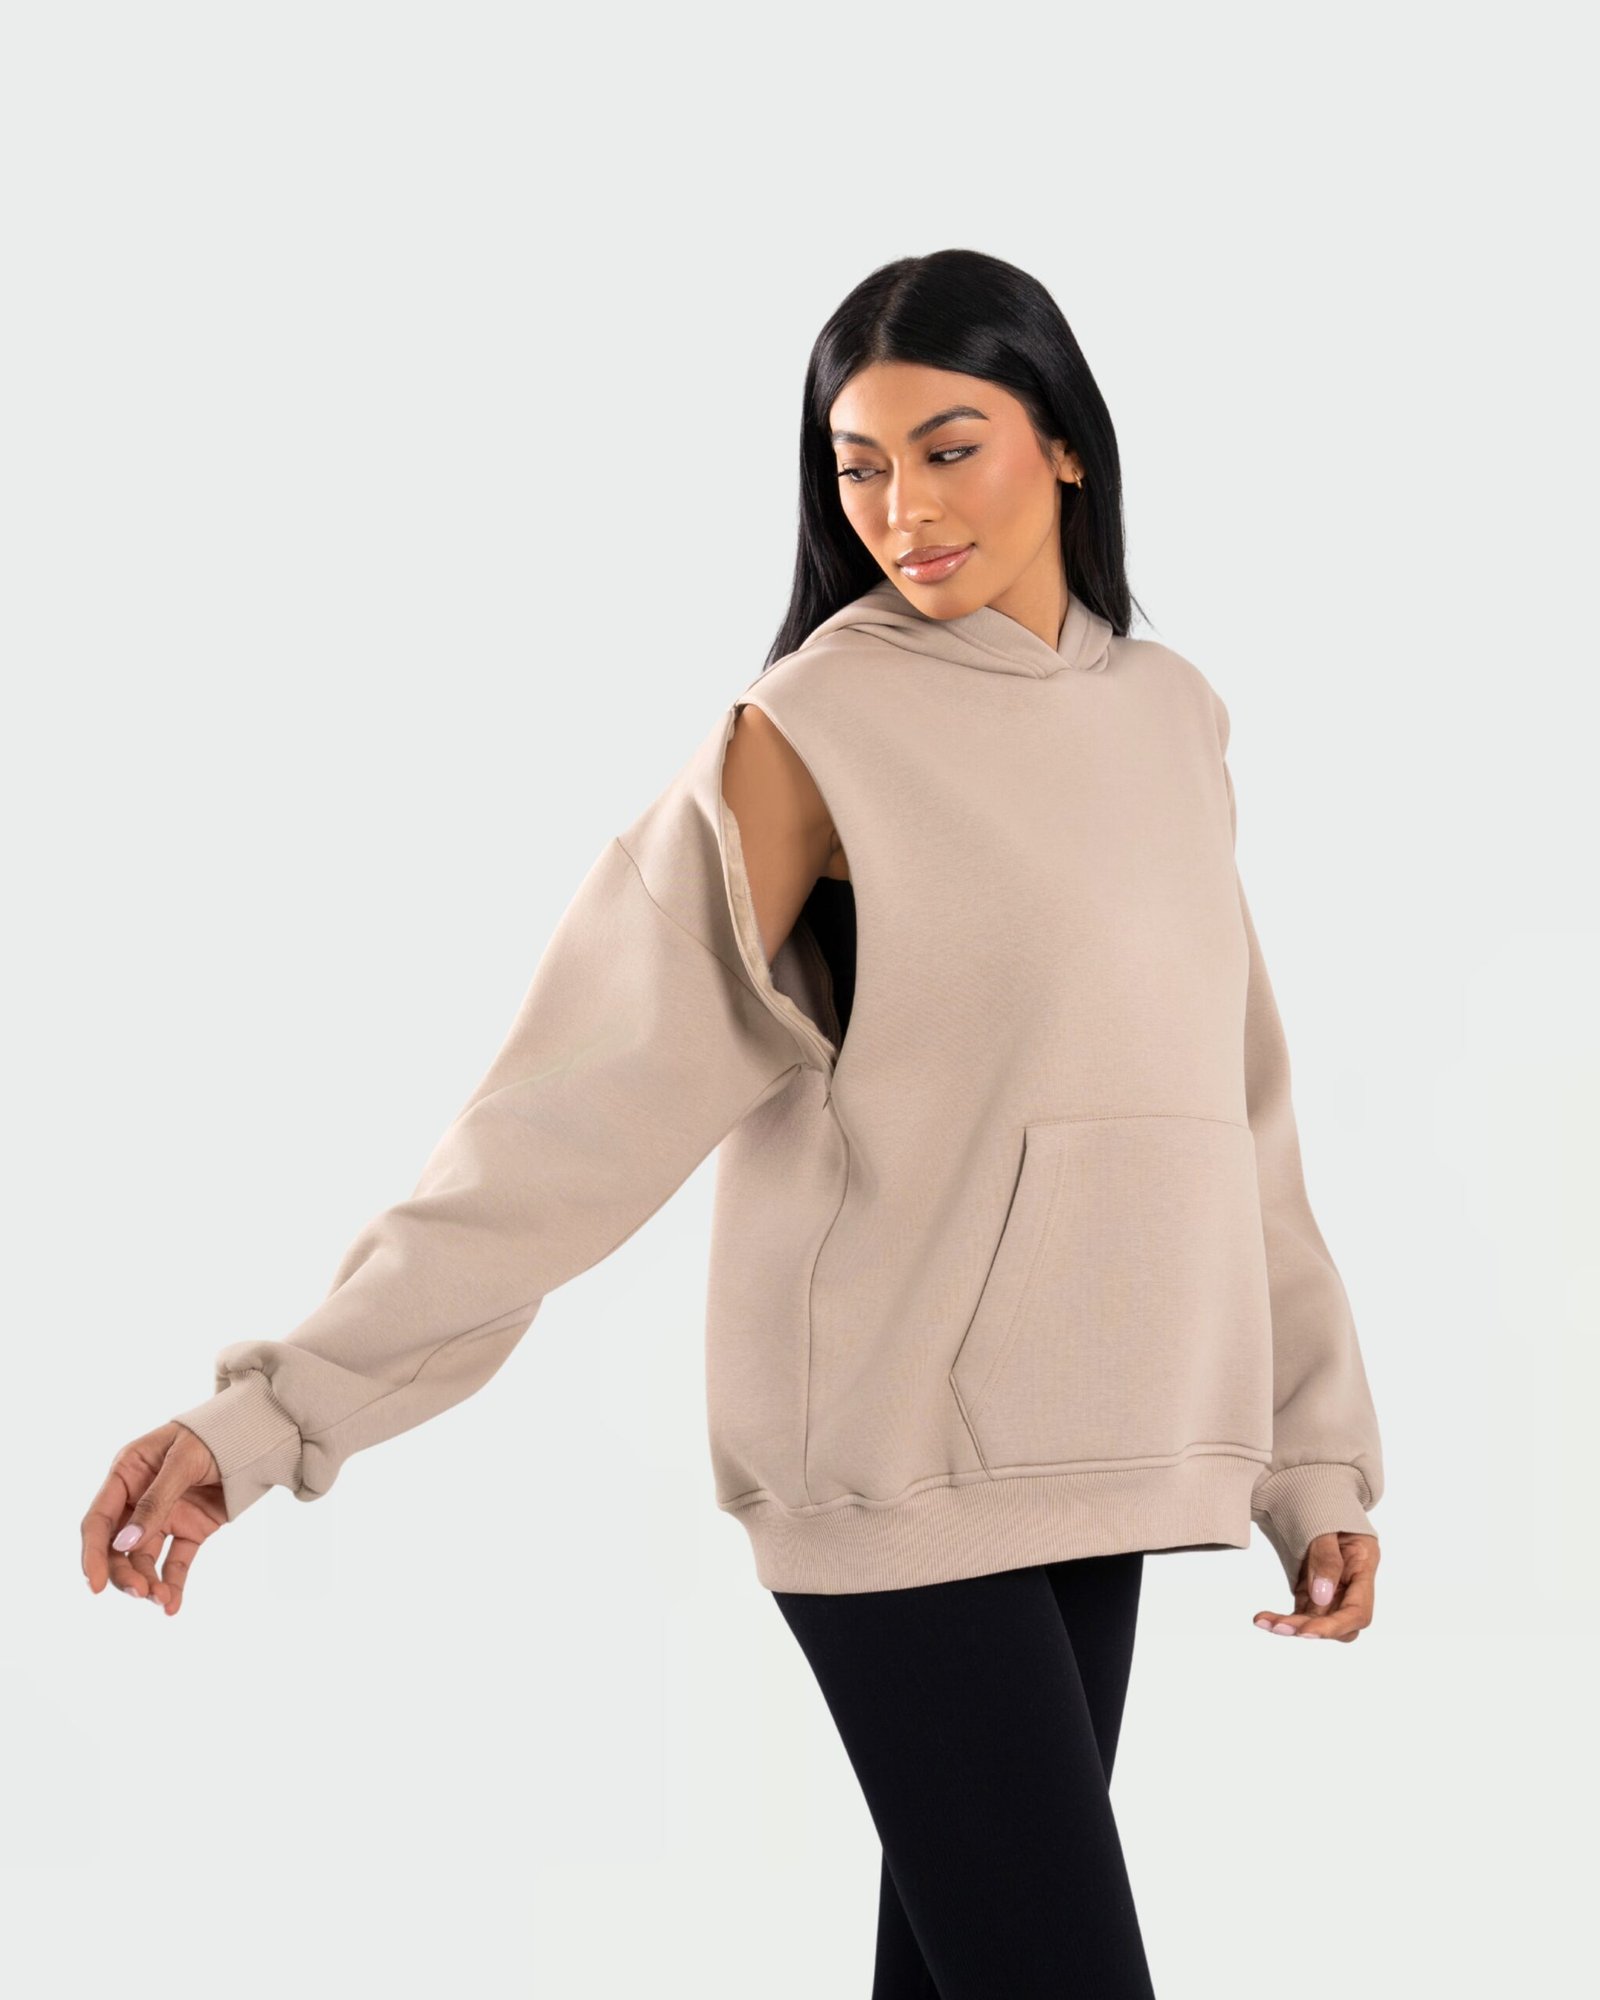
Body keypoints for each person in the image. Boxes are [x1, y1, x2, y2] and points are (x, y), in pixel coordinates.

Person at [81, 247, 1384, 1997]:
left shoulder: (1170, 715)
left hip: (1113, 1453)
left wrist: (1311, 1461)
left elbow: (1239, 1114)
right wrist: (271, 1413)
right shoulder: (812, 733)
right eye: (860, 466)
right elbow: (563, 1125)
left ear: (1067, 443)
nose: (903, 510)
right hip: (893, 1466)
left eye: (949, 448)